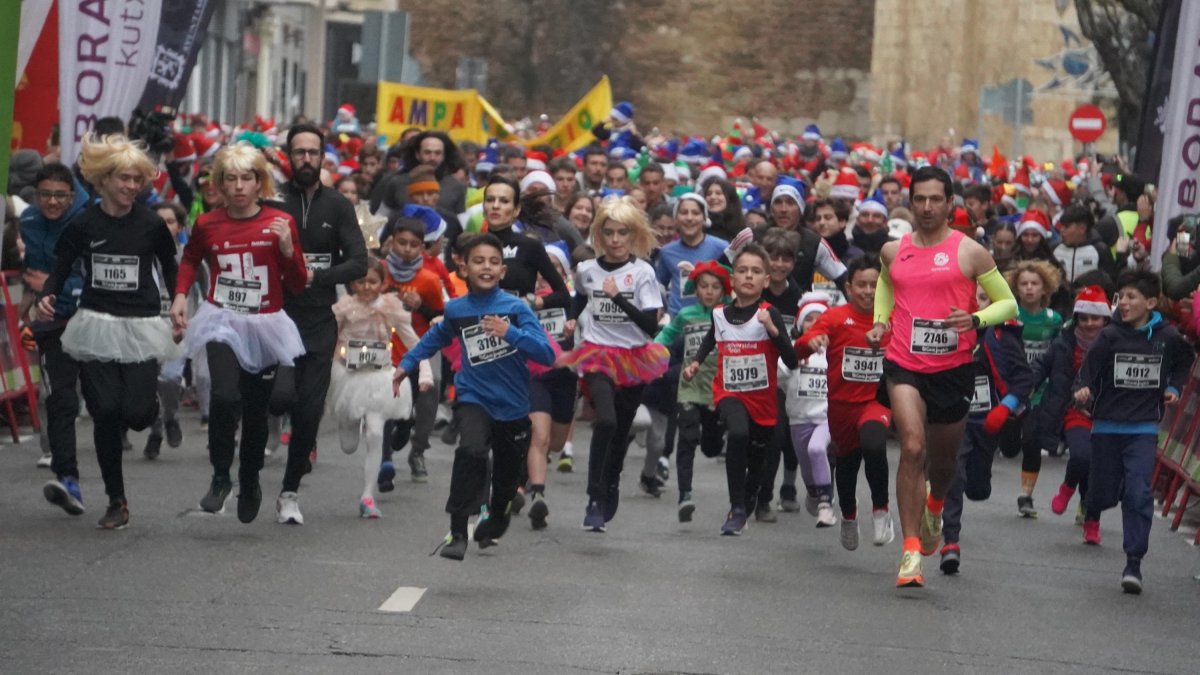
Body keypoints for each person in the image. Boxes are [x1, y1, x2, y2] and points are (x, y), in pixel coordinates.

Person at [867, 166, 1017, 588]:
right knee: (912, 447)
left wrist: (974, 318)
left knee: (945, 461)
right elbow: (886, 284)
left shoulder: (969, 251)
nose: (928, 207)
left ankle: (936, 504)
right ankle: (911, 552)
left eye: (936, 199)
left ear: (950, 203)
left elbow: (1008, 305)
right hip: (903, 363)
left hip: (953, 369)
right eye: (920, 199)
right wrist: (881, 321)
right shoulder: (894, 251)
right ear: (910, 202)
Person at [38, 134, 181, 530]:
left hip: (140, 324)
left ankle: (150, 406)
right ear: (104, 179)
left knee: (134, 414)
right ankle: (116, 500)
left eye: (138, 179)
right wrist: (48, 295)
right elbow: (62, 266)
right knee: (104, 412)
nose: (132, 187)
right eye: (124, 179)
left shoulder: (151, 223)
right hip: (97, 323)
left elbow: (171, 267)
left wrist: (179, 299)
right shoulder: (83, 223)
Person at [395, 233, 556, 560]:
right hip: (474, 396)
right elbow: (434, 338)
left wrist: (509, 332)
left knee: (507, 478)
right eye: (479, 261)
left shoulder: (515, 308)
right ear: (464, 268)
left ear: (502, 272)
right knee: (471, 451)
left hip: (511, 405)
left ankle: (497, 517)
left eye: (494, 262)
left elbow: (546, 354)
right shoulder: (456, 309)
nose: (487, 267)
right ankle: (457, 531)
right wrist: (406, 364)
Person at [172, 142, 308, 525]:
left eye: (246, 178)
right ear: (219, 184)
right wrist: (181, 295)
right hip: (222, 319)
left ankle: (249, 479)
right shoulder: (207, 223)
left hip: (266, 323)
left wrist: (286, 248)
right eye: (229, 179)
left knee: (255, 410)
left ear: (259, 182)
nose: (238, 186)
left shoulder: (280, 222)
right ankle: (220, 475)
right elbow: (190, 259)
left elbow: (297, 283)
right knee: (225, 395)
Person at [1073, 270, 1194, 594]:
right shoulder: (1110, 336)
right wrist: (1083, 388)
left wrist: (1172, 386)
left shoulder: (1166, 336)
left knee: (1138, 493)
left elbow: (1185, 360)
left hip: (1142, 427)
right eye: (1120, 297)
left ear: (1151, 302)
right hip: (1106, 426)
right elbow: (1089, 367)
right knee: (1103, 493)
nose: (1123, 303)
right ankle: (1093, 507)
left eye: (1131, 297)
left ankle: (1133, 563)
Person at [275, 123, 368, 524]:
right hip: (274, 316)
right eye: (299, 153)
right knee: (279, 398)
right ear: (288, 156)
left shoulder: (337, 205)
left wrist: (315, 276)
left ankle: (290, 491)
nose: (307, 160)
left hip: (317, 318)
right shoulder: (272, 200)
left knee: (309, 411)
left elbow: (358, 262)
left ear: (323, 156)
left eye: (314, 152)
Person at [559, 196, 670, 532]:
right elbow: (580, 294)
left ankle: (611, 482)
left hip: (634, 357)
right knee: (605, 421)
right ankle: (594, 496)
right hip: (597, 353)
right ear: (599, 234)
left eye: (623, 233)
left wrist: (617, 298)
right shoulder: (588, 270)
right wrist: (572, 318)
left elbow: (650, 327)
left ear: (632, 234)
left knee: (621, 430)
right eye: (609, 233)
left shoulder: (642, 272)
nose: (616, 240)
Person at [683, 244, 799, 535]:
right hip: (729, 392)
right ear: (733, 279)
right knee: (737, 434)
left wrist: (773, 331)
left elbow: (792, 360)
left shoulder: (768, 312)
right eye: (743, 270)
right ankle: (736, 508)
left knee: (757, 456)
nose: (749, 276)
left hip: (763, 400)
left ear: (766, 280)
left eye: (756, 271)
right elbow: (711, 338)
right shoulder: (720, 313)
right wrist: (696, 362)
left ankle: (746, 502)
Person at [797, 255, 895, 550]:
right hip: (841, 405)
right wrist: (811, 342)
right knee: (848, 464)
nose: (867, 291)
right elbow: (803, 343)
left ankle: (881, 511)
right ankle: (849, 516)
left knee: (874, 444)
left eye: (874, 285)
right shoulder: (836, 317)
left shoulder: (894, 318)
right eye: (861, 285)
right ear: (849, 288)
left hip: (875, 403)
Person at [939, 283, 1035, 575]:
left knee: (978, 489)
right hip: (956, 418)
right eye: (970, 298)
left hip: (989, 419)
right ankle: (950, 541)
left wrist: (1005, 407)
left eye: (983, 299)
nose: (975, 304)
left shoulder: (1001, 337)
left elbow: (1024, 379)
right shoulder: (945, 332)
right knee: (953, 472)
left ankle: (971, 483)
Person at [329, 258, 430, 518]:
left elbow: (413, 341)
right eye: (361, 281)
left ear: (383, 283)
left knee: (375, 433)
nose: (366, 287)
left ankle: (367, 495)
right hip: (349, 375)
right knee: (350, 445)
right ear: (353, 283)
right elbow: (331, 338)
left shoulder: (391, 307)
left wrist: (425, 372)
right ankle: (346, 422)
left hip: (380, 375)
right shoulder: (344, 308)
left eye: (373, 281)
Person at [22, 163, 88, 487]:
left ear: (72, 196)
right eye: (45, 195)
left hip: (90, 319)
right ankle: (66, 476)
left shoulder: (87, 219)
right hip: (51, 322)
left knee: (103, 401)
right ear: (36, 196)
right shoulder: (29, 221)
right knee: (60, 398)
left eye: (60, 196)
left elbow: (88, 271)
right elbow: (31, 265)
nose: (52, 202)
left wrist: (51, 282)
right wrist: (27, 298)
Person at [656, 260, 728, 522]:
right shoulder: (686, 315)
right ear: (695, 289)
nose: (709, 291)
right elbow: (666, 336)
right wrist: (651, 351)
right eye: (704, 286)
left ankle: (715, 439)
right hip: (689, 385)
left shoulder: (729, 314)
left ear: (723, 290)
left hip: (717, 389)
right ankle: (684, 495)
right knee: (686, 439)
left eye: (715, 287)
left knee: (710, 447)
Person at [1035, 286, 1112, 526]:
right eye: (1084, 318)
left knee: (1098, 467)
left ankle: (1091, 520)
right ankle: (1068, 487)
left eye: (1095, 318)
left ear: (1106, 319)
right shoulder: (1063, 342)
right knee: (1081, 456)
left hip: (1109, 414)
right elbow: (1040, 367)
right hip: (1074, 410)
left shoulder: (1118, 342)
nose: (1089, 323)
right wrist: (1018, 390)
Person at [1001, 260, 1063, 517]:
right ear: (1016, 287)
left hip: (1039, 392)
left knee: (1032, 441)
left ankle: (1026, 496)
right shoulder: (1008, 317)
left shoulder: (1054, 320)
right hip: (1011, 390)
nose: (1029, 288)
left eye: (1034, 284)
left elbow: (1060, 355)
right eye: (1023, 283)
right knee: (1010, 447)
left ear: (1045, 288)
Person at [143, 201, 191, 459]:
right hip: (147, 327)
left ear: (179, 226)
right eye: (158, 222)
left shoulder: (189, 256)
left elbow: (204, 290)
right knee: (149, 385)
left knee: (170, 379)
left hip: (177, 328)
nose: (164, 227)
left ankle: (169, 417)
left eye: (170, 222)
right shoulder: (141, 254)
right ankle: (156, 430)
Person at [784, 296, 835, 527]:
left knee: (817, 450)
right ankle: (815, 493)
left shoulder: (835, 352)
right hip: (798, 419)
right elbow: (777, 377)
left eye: (820, 319)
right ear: (799, 325)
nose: (814, 323)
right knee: (807, 471)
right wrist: (794, 362)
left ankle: (826, 505)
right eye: (808, 319)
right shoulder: (793, 351)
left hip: (826, 418)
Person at [654, 193, 728, 317]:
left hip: (713, 320)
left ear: (704, 218)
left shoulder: (721, 247)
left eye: (695, 213)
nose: (689, 218)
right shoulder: (667, 252)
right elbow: (660, 284)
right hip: (678, 321)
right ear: (676, 218)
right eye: (684, 212)